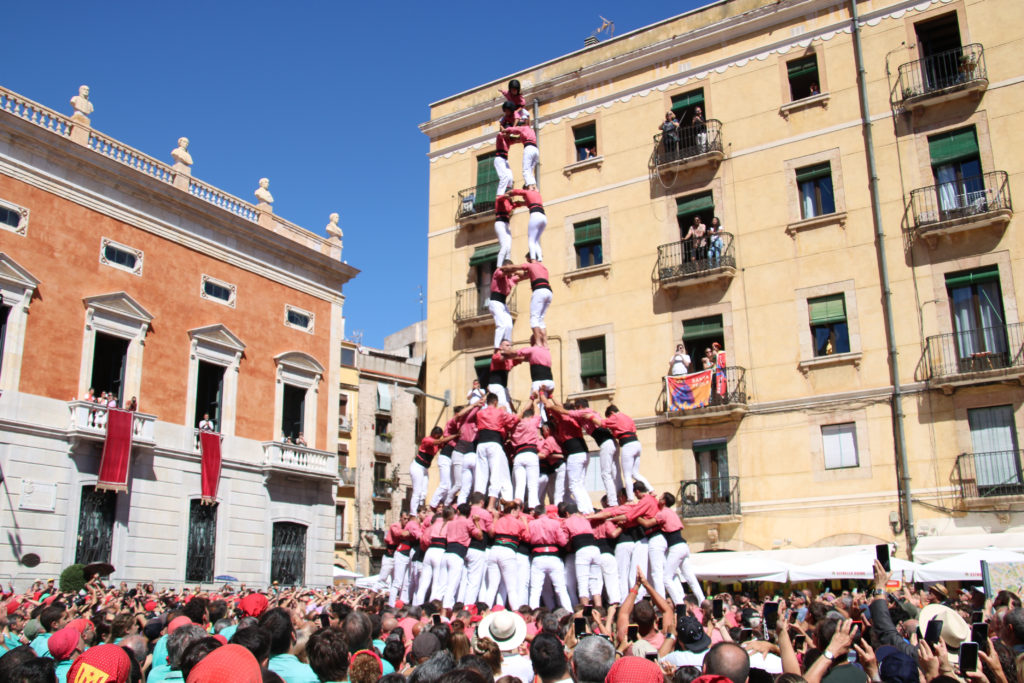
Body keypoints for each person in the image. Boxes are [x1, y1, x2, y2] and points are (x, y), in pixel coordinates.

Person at [527, 504, 573, 609]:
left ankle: (533, 616)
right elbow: (562, 542)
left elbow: (528, 539)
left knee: (535, 590)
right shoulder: (555, 523)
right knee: (561, 588)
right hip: (553, 557)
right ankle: (569, 612)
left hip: (538, 557)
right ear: (545, 512)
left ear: (536, 513)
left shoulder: (531, 524)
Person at [441, 503, 485, 610]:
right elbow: (480, 536)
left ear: (458, 512)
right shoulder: (468, 523)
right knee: (452, 585)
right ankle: (446, 610)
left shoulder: (450, 523)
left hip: (446, 553)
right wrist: (477, 522)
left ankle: (436, 607)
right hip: (457, 554)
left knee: (441, 585)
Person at [602, 405, 649, 503]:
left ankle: (630, 498)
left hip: (628, 445)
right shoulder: (628, 417)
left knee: (627, 475)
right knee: (635, 473)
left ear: (611, 413)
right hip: (637, 443)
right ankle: (651, 490)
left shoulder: (615, 417)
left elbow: (603, 423)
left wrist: (591, 417)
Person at [410, 427, 457, 514]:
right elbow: (439, 442)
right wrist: (456, 435)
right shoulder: (427, 440)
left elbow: (443, 443)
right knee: (417, 491)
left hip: (425, 468)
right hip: (417, 466)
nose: (438, 437)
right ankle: (413, 513)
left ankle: (420, 509)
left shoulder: (437, 443)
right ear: (434, 433)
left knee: (424, 492)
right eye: (437, 435)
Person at [505, 189, 547, 264]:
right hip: (543, 217)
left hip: (535, 215)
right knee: (536, 240)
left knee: (531, 240)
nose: (524, 199)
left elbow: (516, 192)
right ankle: (540, 259)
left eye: (524, 197)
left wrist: (506, 194)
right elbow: (522, 203)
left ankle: (533, 259)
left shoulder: (527, 192)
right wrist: (516, 203)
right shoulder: (536, 195)